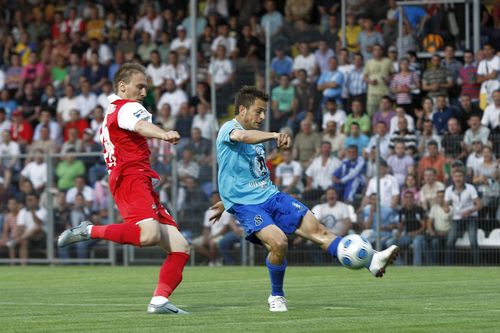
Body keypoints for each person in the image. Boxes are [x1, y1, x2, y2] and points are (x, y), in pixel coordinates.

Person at [210, 86, 399, 312]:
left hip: (271, 196)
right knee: (279, 242)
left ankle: (372, 261)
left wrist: (225, 200)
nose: (262, 117)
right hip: (248, 206)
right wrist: (273, 135)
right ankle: (276, 296)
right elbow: (241, 136)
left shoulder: (256, 139)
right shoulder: (230, 128)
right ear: (242, 109)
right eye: (258, 112)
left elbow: (243, 175)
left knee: (319, 231)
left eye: (264, 113)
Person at [57, 63, 190, 314]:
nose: (143, 92)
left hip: (138, 179)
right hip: (131, 177)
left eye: (145, 88)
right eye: (139, 86)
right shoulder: (128, 108)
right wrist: (163, 134)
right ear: (122, 86)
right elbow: (141, 127)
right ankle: (90, 230)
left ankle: (159, 301)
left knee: (180, 247)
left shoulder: (112, 112)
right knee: (149, 235)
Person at [445, 169, 482, 265]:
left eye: (460, 176)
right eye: (456, 176)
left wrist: (469, 211)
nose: (458, 178)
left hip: (471, 217)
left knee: (473, 240)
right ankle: (448, 266)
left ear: (464, 178)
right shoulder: (449, 190)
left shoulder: (470, 188)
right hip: (456, 218)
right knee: (450, 241)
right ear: (452, 178)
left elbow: (479, 205)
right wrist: (446, 208)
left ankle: (477, 265)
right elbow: (446, 205)